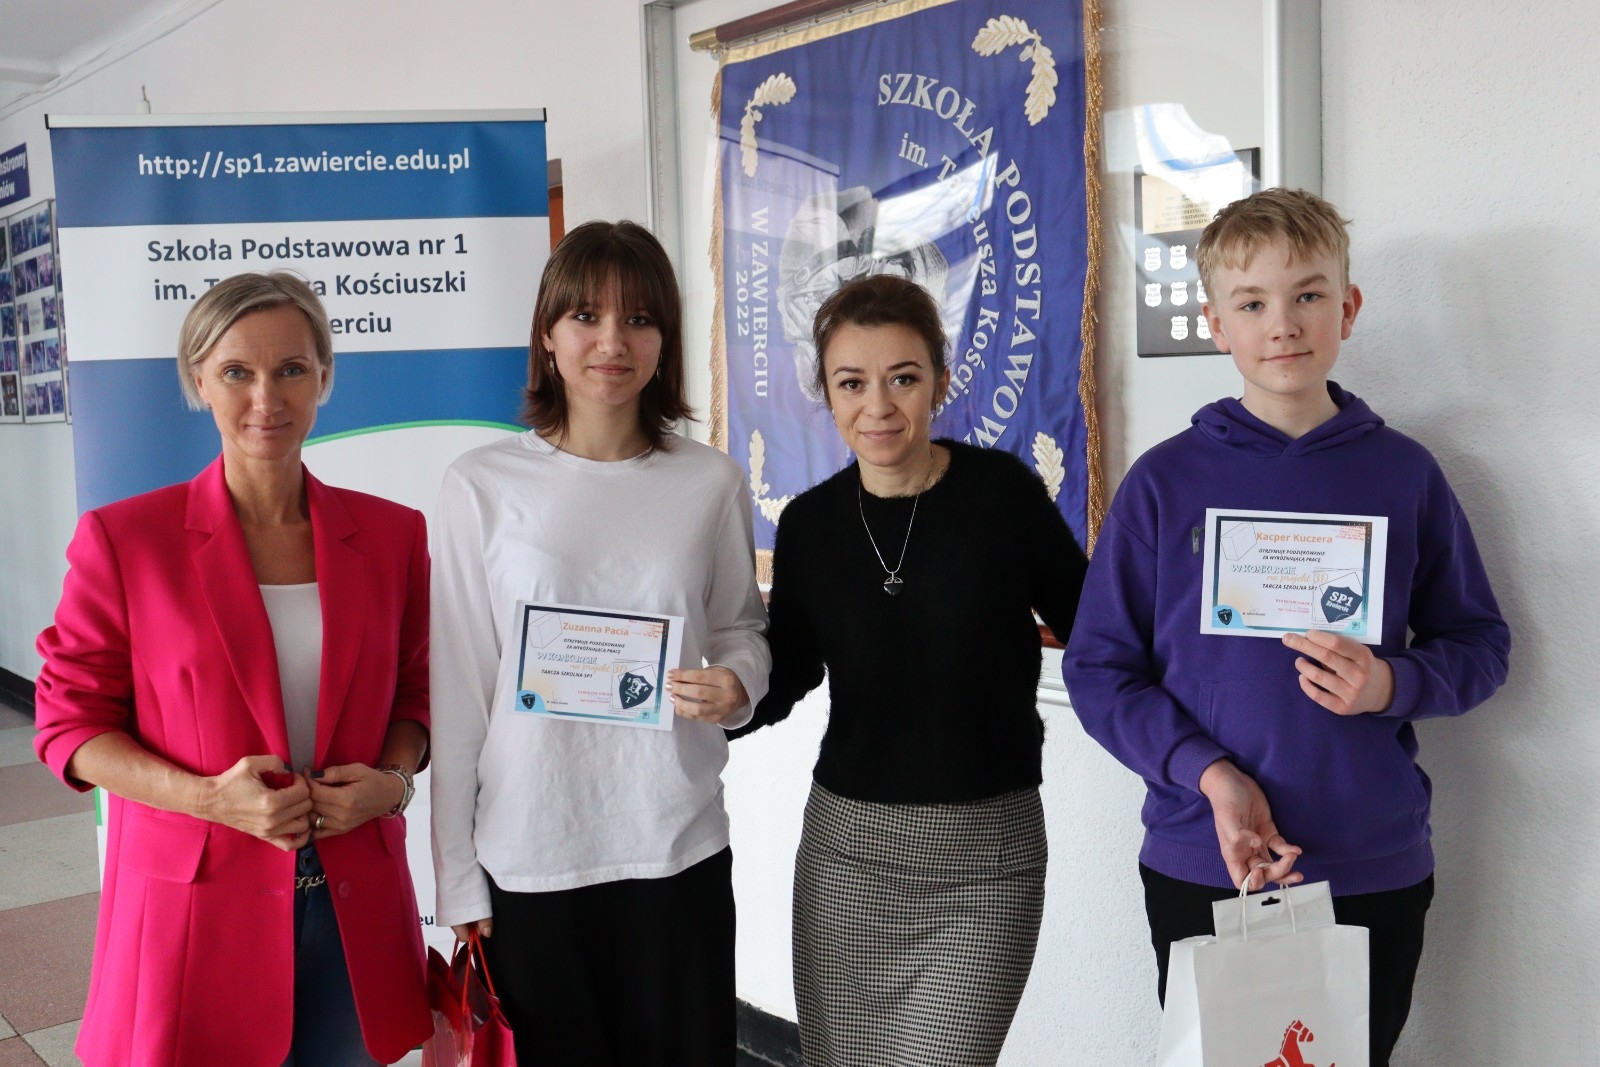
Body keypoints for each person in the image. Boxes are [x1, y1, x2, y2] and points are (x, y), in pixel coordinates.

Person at [1062, 188, 1511, 1066]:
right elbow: (1100, 669)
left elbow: (1481, 645)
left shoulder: (1406, 474)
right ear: (1215, 324)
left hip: (1371, 861)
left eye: (1308, 294)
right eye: (1252, 303)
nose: (1283, 324)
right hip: (1208, 857)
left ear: (1348, 308)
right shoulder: (1163, 484)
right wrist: (1210, 774)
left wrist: (1392, 682)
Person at [33, 272, 432, 1067]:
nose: (266, 399)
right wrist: (209, 798)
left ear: (325, 375)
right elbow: (69, 724)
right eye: (237, 371)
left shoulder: (394, 535)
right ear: (198, 381)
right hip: (194, 912)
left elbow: (417, 693)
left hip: (354, 906)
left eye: (291, 369)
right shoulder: (127, 540)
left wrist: (392, 782)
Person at [429, 220, 770, 1066]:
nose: (613, 341)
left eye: (639, 319)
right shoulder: (482, 485)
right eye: (586, 316)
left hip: (676, 844)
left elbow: (740, 624)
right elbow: (460, 692)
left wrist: (740, 681)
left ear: (665, 341)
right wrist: (457, 875)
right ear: (547, 335)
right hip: (533, 855)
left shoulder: (710, 480)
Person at [732, 274, 1088, 1066]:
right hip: (848, 856)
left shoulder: (1003, 495)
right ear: (827, 395)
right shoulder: (811, 525)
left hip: (987, 861)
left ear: (940, 382)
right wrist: (723, 699)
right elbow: (788, 672)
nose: (879, 405)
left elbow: (1094, 626)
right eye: (852, 383)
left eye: (902, 378)